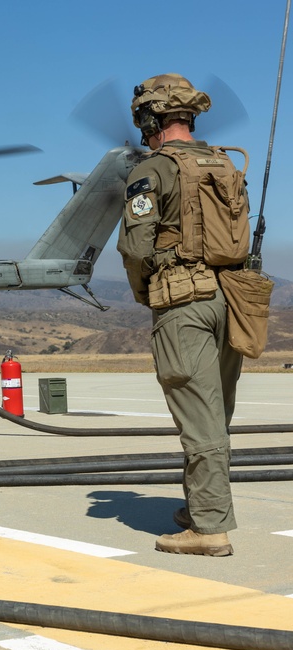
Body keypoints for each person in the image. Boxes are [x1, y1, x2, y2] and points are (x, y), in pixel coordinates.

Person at [117, 74, 249, 556]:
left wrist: (147, 292)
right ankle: (201, 507)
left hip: (184, 303)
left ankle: (210, 528)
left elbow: (135, 246)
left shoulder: (152, 169)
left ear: (151, 118)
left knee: (199, 417)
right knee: (216, 414)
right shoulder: (226, 164)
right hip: (233, 298)